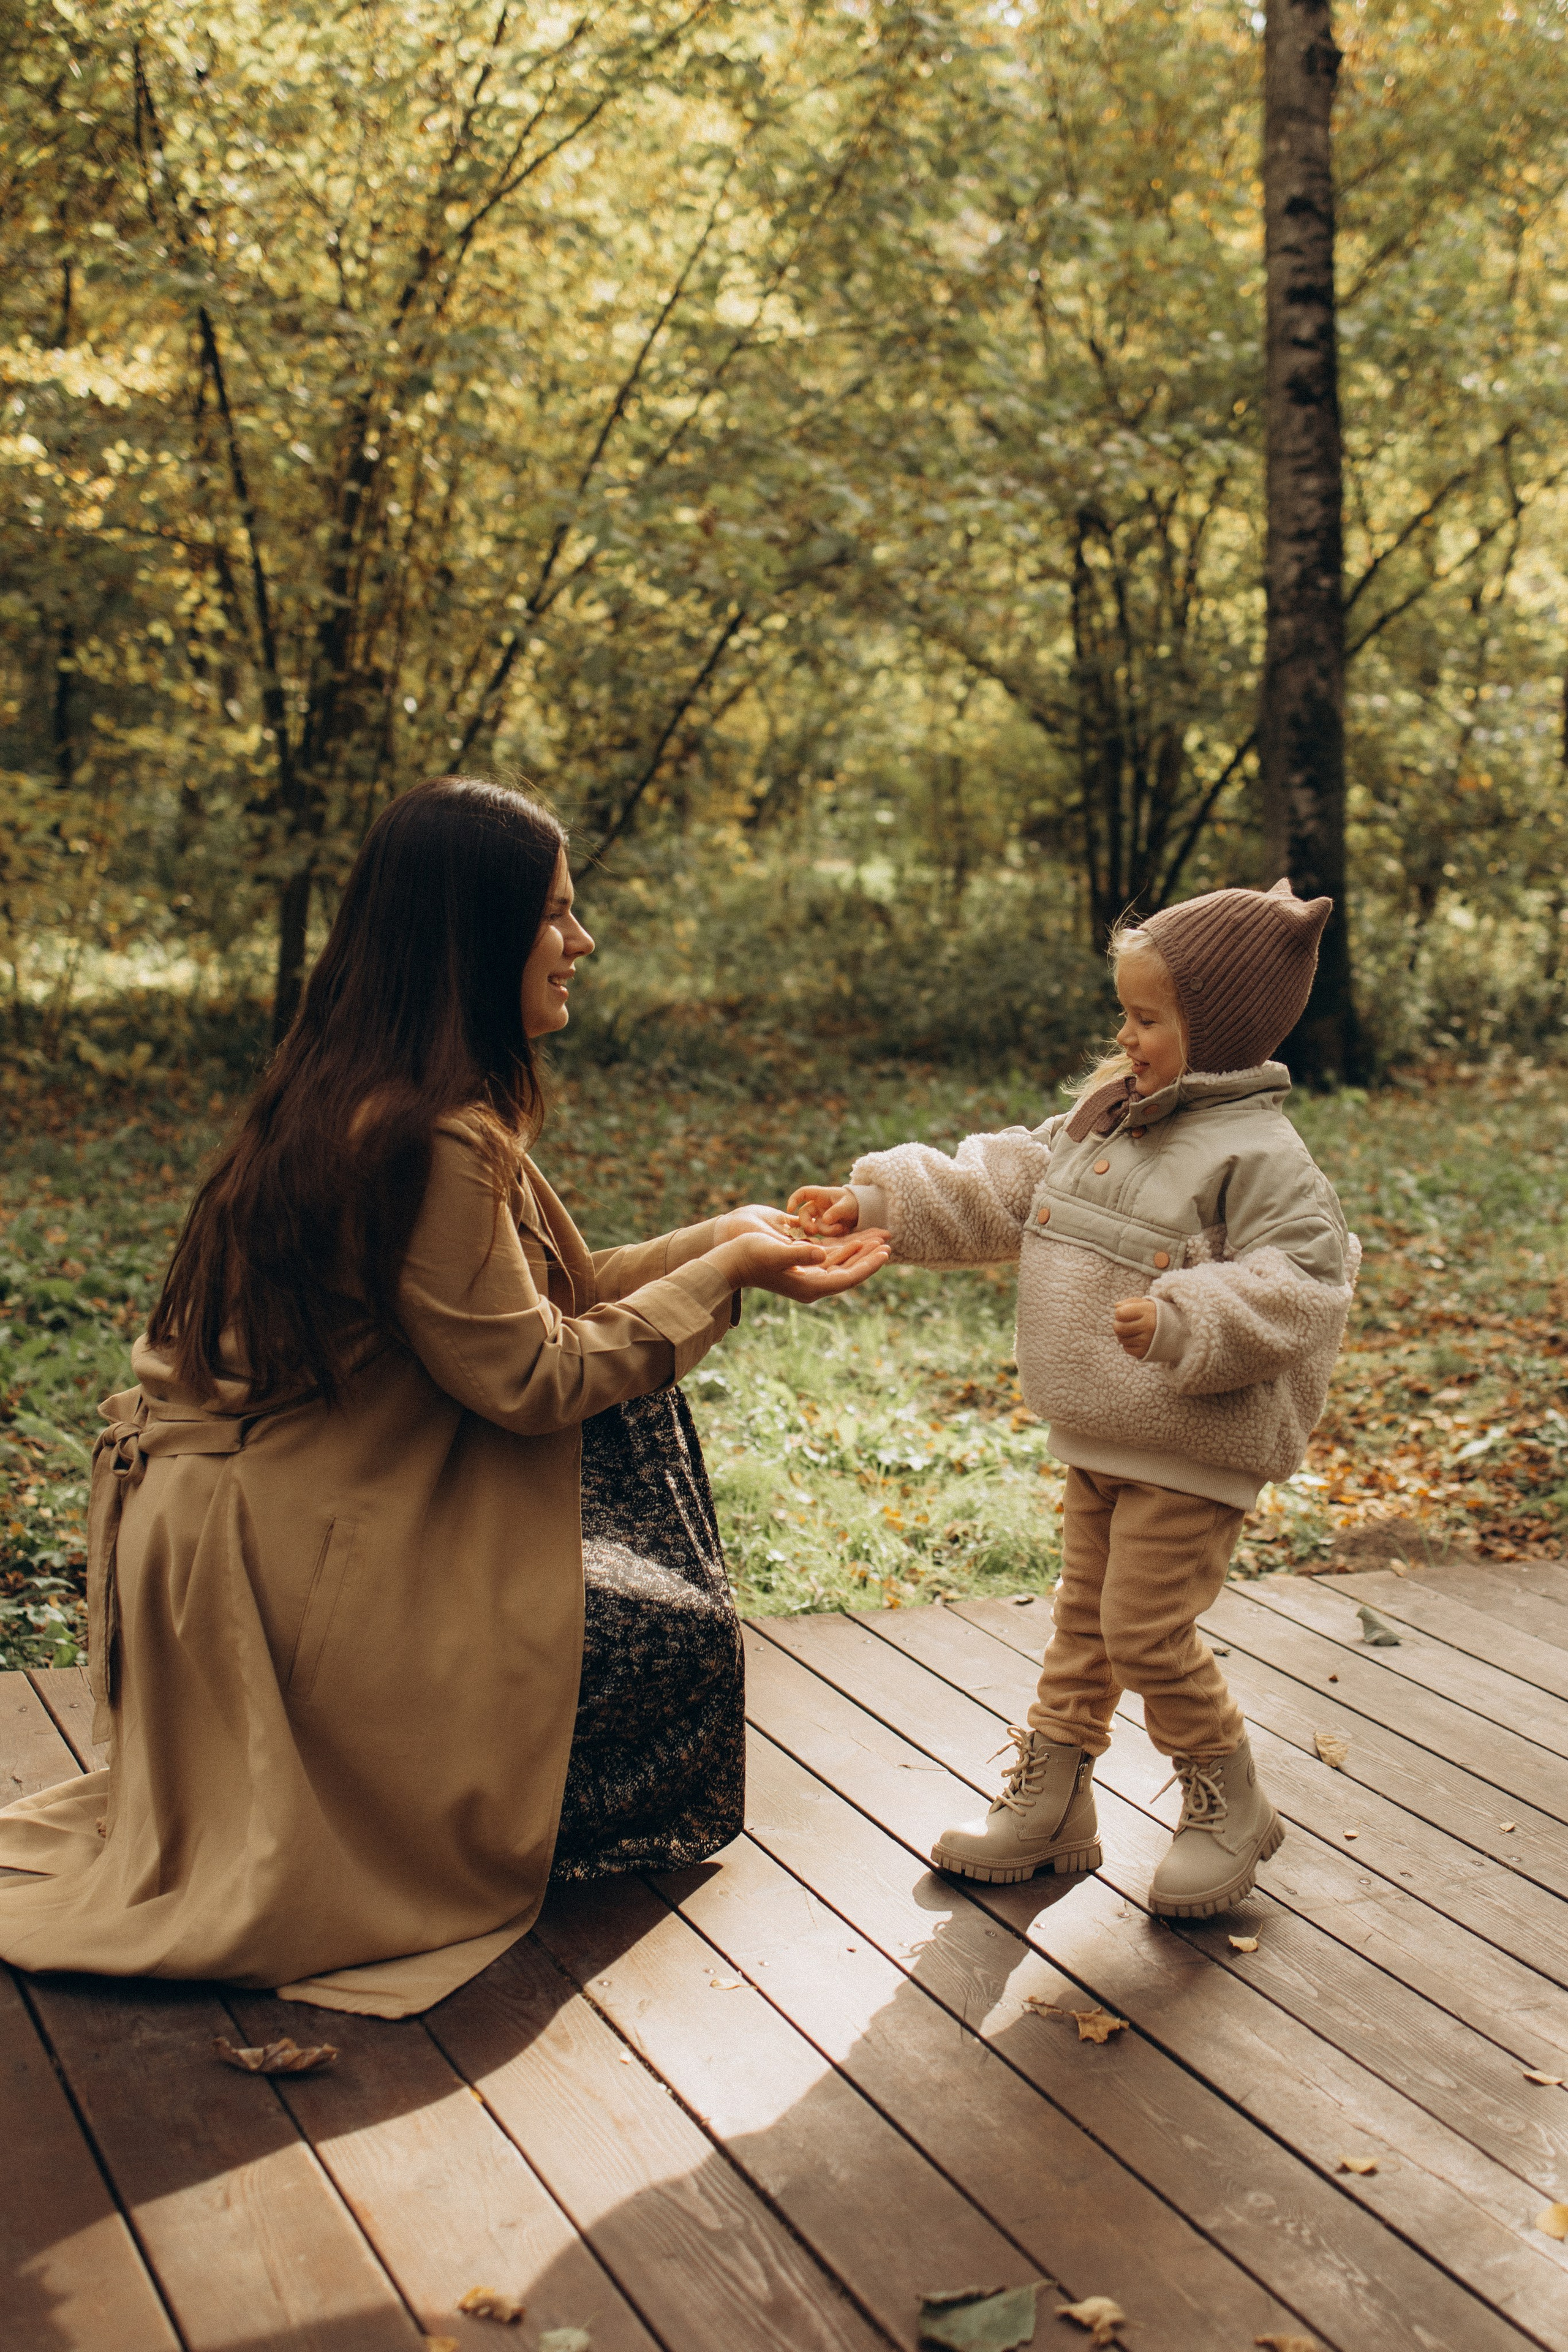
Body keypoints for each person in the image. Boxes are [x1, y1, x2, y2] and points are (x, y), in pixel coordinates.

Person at [0, 778, 888, 2016]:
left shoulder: (372, 1092)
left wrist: (727, 1236)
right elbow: (535, 1375)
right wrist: (731, 1275)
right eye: (556, 915)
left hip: (249, 1535)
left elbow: (547, 1296)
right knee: (666, 1653)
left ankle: (425, 1807)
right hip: (269, 1565)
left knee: (639, 1643)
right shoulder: (426, 1134)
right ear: (475, 933)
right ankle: (411, 1834)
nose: (581, 943)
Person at [788, 881, 1359, 1920]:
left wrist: (1188, 1314)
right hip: (1102, 1433)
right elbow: (1005, 1183)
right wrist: (878, 1201)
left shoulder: (1262, 1158)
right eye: (1126, 1014)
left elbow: (1306, 1286)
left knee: (1143, 1630)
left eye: (1148, 1019)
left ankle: (1229, 1799)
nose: (1126, 1037)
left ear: (1217, 1030)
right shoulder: (1109, 1120)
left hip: (1193, 1442)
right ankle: (1054, 1803)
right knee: (1085, 1626)